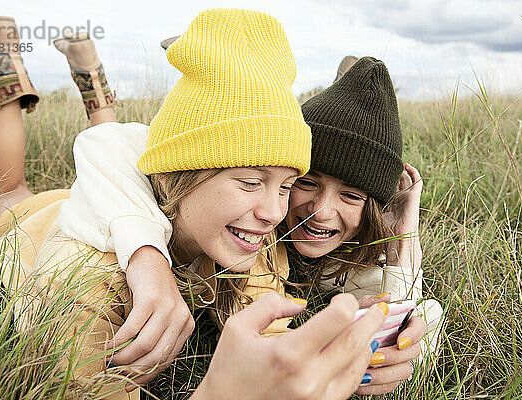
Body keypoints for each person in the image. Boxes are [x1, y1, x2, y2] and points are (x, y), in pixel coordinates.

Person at [0, 9, 390, 399]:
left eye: (284, 187)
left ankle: (87, 64)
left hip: (150, 196)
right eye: (249, 182)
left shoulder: (248, 244)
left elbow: (274, 343)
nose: (276, 214)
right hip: (39, 221)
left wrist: (332, 358)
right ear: (172, 176)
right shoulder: (82, 279)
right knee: (10, 192)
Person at [57, 37, 443, 396]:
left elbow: (398, 308)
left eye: (285, 185)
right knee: (18, 195)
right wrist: (148, 257)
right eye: (306, 183)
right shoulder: (96, 266)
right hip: (67, 214)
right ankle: (158, 81)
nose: (318, 212)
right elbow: (108, 145)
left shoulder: (278, 248)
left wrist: (403, 250)